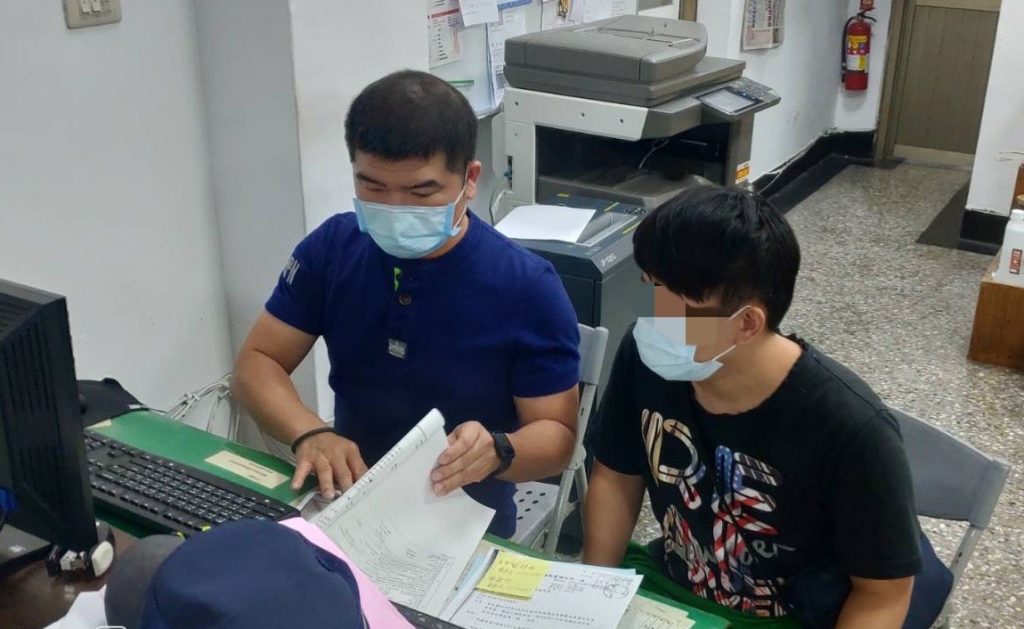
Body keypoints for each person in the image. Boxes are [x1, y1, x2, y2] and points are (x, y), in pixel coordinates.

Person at [232, 70, 580, 537]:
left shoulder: (527, 287)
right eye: (373, 187)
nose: (395, 208)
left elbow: (557, 437)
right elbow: (259, 360)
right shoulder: (333, 249)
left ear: (470, 179)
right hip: (347, 503)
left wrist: (498, 450)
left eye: (421, 192)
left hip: (464, 524)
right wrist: (310, 433)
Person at [584, 186, 921, 628]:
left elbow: (883, 594)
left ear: (746, 323)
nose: (651, 316)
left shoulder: (853, 428)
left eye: (672, 302)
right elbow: (616, 476)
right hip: (672, 590)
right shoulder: (645, 358)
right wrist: (591, 598)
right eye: (649, 287)